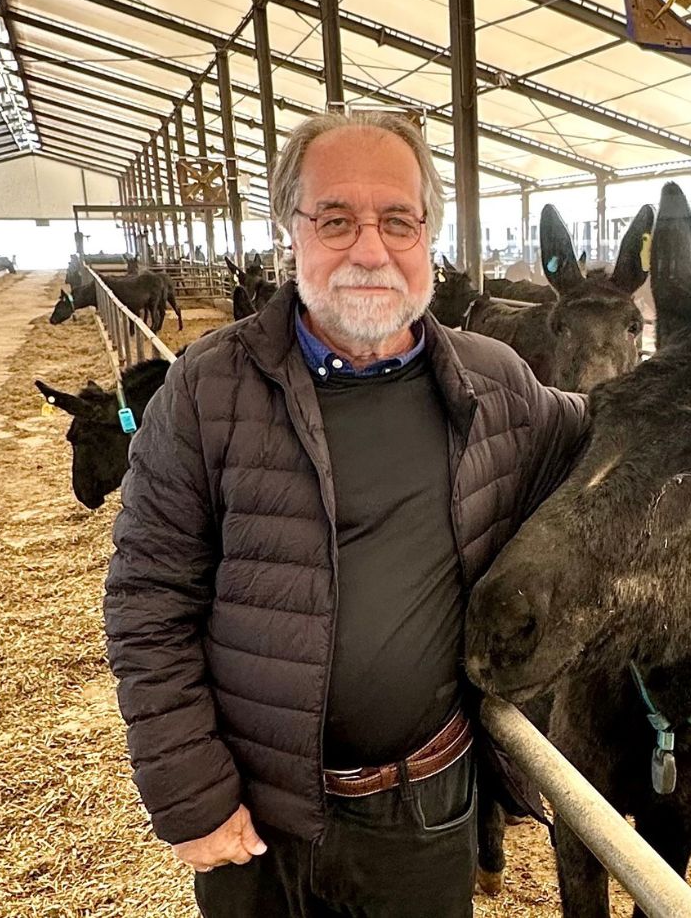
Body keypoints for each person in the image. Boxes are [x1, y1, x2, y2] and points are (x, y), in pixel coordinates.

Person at [103, 111, 588, 917]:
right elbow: (148, 601)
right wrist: (188, 793)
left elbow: (618, 432)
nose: (370, 249)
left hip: (424, 809)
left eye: (398, 220)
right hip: (257, 814)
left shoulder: (495, 385)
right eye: (336, 219)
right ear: (290, 230)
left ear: (429, 232)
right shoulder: (206, 390)